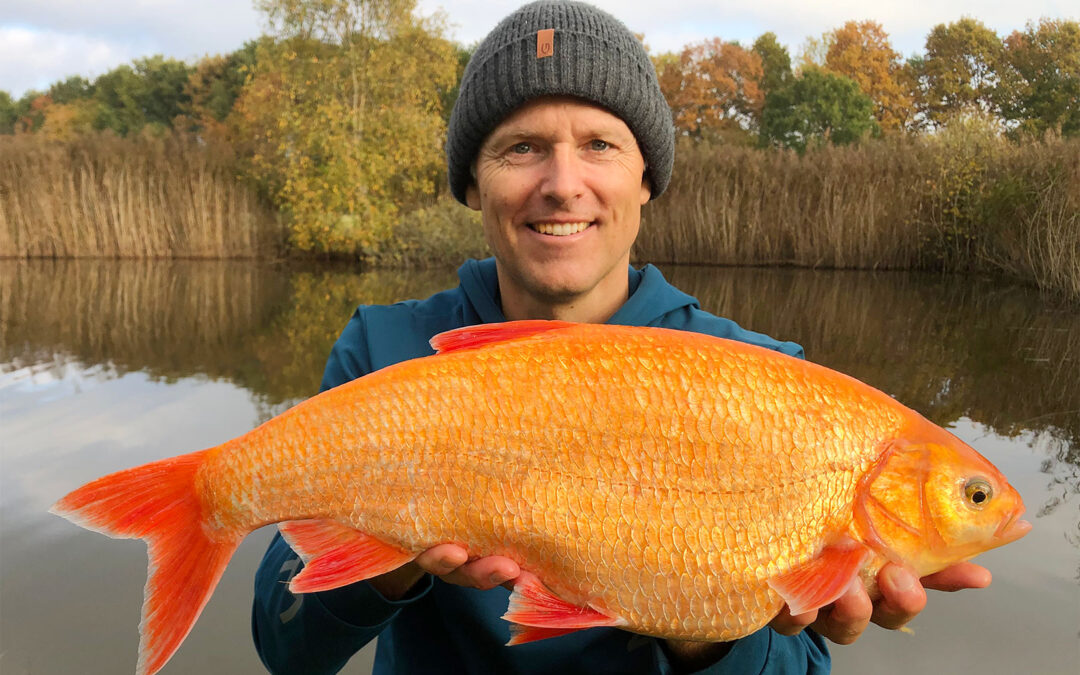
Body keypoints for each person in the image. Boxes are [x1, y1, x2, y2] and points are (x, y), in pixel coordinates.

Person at [252, 2, 991, 673]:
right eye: (521, 148)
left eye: (600, 144)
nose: (563, 182)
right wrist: (392, 558)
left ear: (646, 178)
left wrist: (703, 626)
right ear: (473, 183)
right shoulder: (384, 352)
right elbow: (286, 646)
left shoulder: (772, 381)